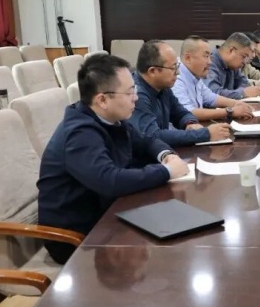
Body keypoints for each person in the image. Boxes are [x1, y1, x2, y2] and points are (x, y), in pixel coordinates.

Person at [37, 54, 188, 264]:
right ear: (102, 100)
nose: (136, 98)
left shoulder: (110, 119)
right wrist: (167, 171)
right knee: (164, 251)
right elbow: (110, 181)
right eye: (129, 92)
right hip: (75, 237)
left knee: (176, 230)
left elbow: (146, 141)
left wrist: (167, 155)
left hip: (107, 214)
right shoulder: (79, 133)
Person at [130, 40, 231, 147]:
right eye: (173, 68)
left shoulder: (163, 87)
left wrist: (190, 123)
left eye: (177, 66)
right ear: (152, 71)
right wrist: (205, 134)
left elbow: (181, 112)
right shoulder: (136, 95)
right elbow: (154, 136)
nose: (178, 72)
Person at [172, 35, 255, 122]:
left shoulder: (195, 75)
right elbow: (187, 112)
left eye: (210, 56)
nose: (210, 62)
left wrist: (237, 103)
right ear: (188, 58)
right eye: (206, 56)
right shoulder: (176, 77)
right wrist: (229, 111)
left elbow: (211, 98)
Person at [205, 32, 260, 100]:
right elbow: (213, 93)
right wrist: (242, 93)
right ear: (231, 50)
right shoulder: (209, 62)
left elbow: (244, 83)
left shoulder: (233, 65)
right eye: (244, 56)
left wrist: (240, 92)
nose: (244, 62)